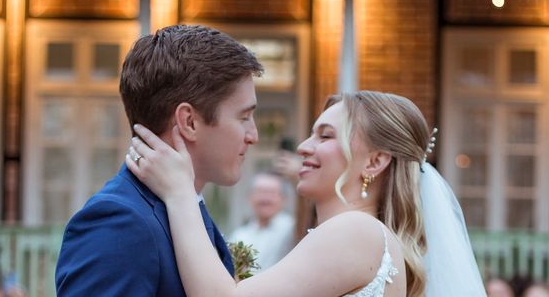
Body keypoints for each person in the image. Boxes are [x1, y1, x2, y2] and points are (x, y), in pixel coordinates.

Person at [128, 90, 486, 297]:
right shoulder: (366, 237)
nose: (303, 146)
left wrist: (180, 193)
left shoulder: (355, 232)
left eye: (325, 136)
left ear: (375, 161)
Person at [55, 24, 263, 296]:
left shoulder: (184, 208)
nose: (253, 135)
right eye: (244, 117)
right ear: (189, 121)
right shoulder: (119, 224)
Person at [229, 172, 295, 271]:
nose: (265, 198)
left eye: (271, 192)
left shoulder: (292, 229)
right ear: (249, 197)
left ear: (284, 199)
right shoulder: (239, 235)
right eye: (260, 192)